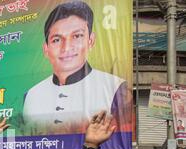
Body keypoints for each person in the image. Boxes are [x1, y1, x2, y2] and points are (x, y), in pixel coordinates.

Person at [23, 1, 131, 135]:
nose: (67, 48)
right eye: (56, 39)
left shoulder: (115, 88)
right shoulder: (31, 95)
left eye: (77, 36)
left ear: (90, 41)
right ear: (46, 49)